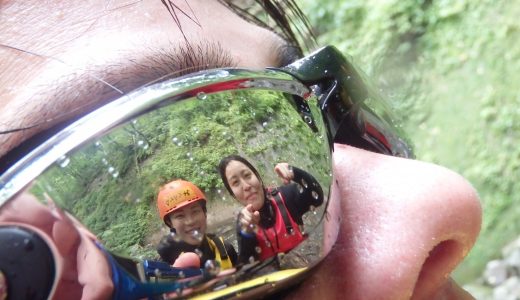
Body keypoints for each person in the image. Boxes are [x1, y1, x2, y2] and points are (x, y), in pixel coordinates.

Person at [0, 1, 482, 299]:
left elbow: (309, 198)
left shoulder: (266, 213)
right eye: (183, 216)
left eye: (346, 111)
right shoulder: (164, 261)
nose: (434, 190)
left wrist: (295, 172)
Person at [218, 155, 323, 263]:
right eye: (235, 183)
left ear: (258, 177)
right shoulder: (243, 225)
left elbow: (317, 198)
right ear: (233, 195)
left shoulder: (286, 196)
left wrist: (295, 172)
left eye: (247, 175)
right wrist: (246, 234)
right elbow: (245, 266)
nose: (246, 186)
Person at [155, 179, 237, 269]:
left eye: (195, 211)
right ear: (170, 223)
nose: (190, 221)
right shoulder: (164, 264)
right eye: (180, 216)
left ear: (204, 213)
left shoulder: (226, 249)